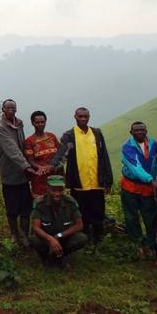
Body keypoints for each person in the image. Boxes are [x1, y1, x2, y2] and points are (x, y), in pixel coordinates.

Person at [50, 107, 113, 251]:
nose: (83, 119)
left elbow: (104, 156)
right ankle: (83, 240)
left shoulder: (97, 133)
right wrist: (52, 165)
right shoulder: (69, 135)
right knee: (80, 213)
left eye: (86, 116)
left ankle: (98, 239)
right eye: (80, 116)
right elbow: (62, 153)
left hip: (96, 183)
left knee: (98, 212)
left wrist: (108, 180)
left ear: (89, 117)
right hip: (79, 184)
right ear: (75, 117)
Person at [0, 99, 38, 247]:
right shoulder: (0, 128)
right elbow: (11, 149)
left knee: (26, 206)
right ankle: (14, 234)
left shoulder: (19, 124)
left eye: (13, 107)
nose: (11, 110)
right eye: (8, 108)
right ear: (3, 109)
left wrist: (31, 161)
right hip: (9, 172)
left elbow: (23, 145)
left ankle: (24, 234)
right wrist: (26, 166)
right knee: (12, 207)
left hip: (23, 173)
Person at [29, 175, 88, 270]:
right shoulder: (40, 203)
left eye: (60, 190)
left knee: (82, 238)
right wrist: (51, 239)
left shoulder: (70, 202)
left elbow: (79, 225)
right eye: (53, 190)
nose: (57, 193)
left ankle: (62, 255)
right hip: (46, 239)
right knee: (33, 239)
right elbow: (36, 227)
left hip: (63, 238)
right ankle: (46, 257)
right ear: (48, 189)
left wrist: (58, 236)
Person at [120, 121, 157, 258]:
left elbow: (156, 163)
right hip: (130, 186)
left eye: (142, 130)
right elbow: (134, 166)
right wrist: (150, 179)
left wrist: (156, 179)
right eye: (136, 130)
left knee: (150, 216)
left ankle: (150, 245)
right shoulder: (127, 146)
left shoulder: (154, 144)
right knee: (131, 217)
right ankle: (137, 244)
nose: (139, 132)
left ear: (146, 131)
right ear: (131, 132)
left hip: (148, 187)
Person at [24, 110, 61, 198]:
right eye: (37, 122)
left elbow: (59, 154)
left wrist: (53, 165)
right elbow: (30, 161)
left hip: (55, 176)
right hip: (40, 179)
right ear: (33, 123)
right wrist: (40, 167)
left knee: (57, 202)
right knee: (41, 205)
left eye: (42, 122)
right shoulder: (29, 141)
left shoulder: (52, 136)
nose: (40, 124)